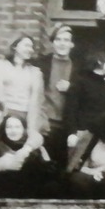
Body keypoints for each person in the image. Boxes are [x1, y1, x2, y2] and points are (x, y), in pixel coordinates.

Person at [0, 34, 45, 136]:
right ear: (14, 46)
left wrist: (33, 127)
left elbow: (37, 102)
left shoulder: (35, 72)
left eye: (31, 47)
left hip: (24, 116)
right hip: (2, 115)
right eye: (26, 45)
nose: (30, 49)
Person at [33, 24, 76, 166]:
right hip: (44, 124)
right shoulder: (41, 63)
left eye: (66, 40)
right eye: (58, 39)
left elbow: (85, 95)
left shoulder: (79, 67)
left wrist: (71, 88)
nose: (62, 43)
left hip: (66, 126)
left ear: (72, 44)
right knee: (40, 165)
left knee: (62, 169)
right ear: (53, 43)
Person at [0, 112, 54, 197]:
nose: (13, 131)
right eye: (9, 127)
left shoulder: (34, 149)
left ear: (24, 129)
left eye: (17, 127)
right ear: (4, 129)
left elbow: (47, 175)